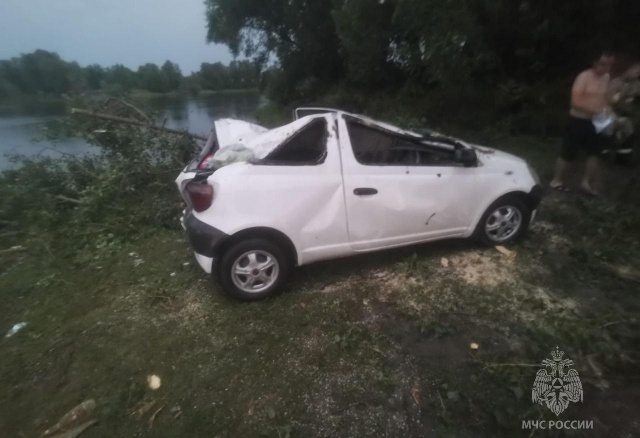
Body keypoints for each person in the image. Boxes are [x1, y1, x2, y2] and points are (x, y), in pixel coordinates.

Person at [550, 53, 614, 196]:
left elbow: (604, 97)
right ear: (595, 63)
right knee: (568, 152)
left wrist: (607, 108)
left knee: (595, 152)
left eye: (609, 65)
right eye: (603, 64)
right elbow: (575, 102)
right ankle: (556, 180)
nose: (606, 68)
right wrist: (595, 110)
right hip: (578, 120)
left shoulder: (606, 78)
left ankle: (585, 182)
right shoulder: (583, 77)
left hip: (597, 121)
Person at [608, 60, 640, 166]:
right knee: (610, 136)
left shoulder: (636, 83)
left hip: (628, 115)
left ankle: (622, 160)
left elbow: (635, 96)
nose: (637, 74)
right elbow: (611, 100)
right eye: (636, 71)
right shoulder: (615, 82)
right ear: (628, 70)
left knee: (629, 136)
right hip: (613, 113)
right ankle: (603, 156)